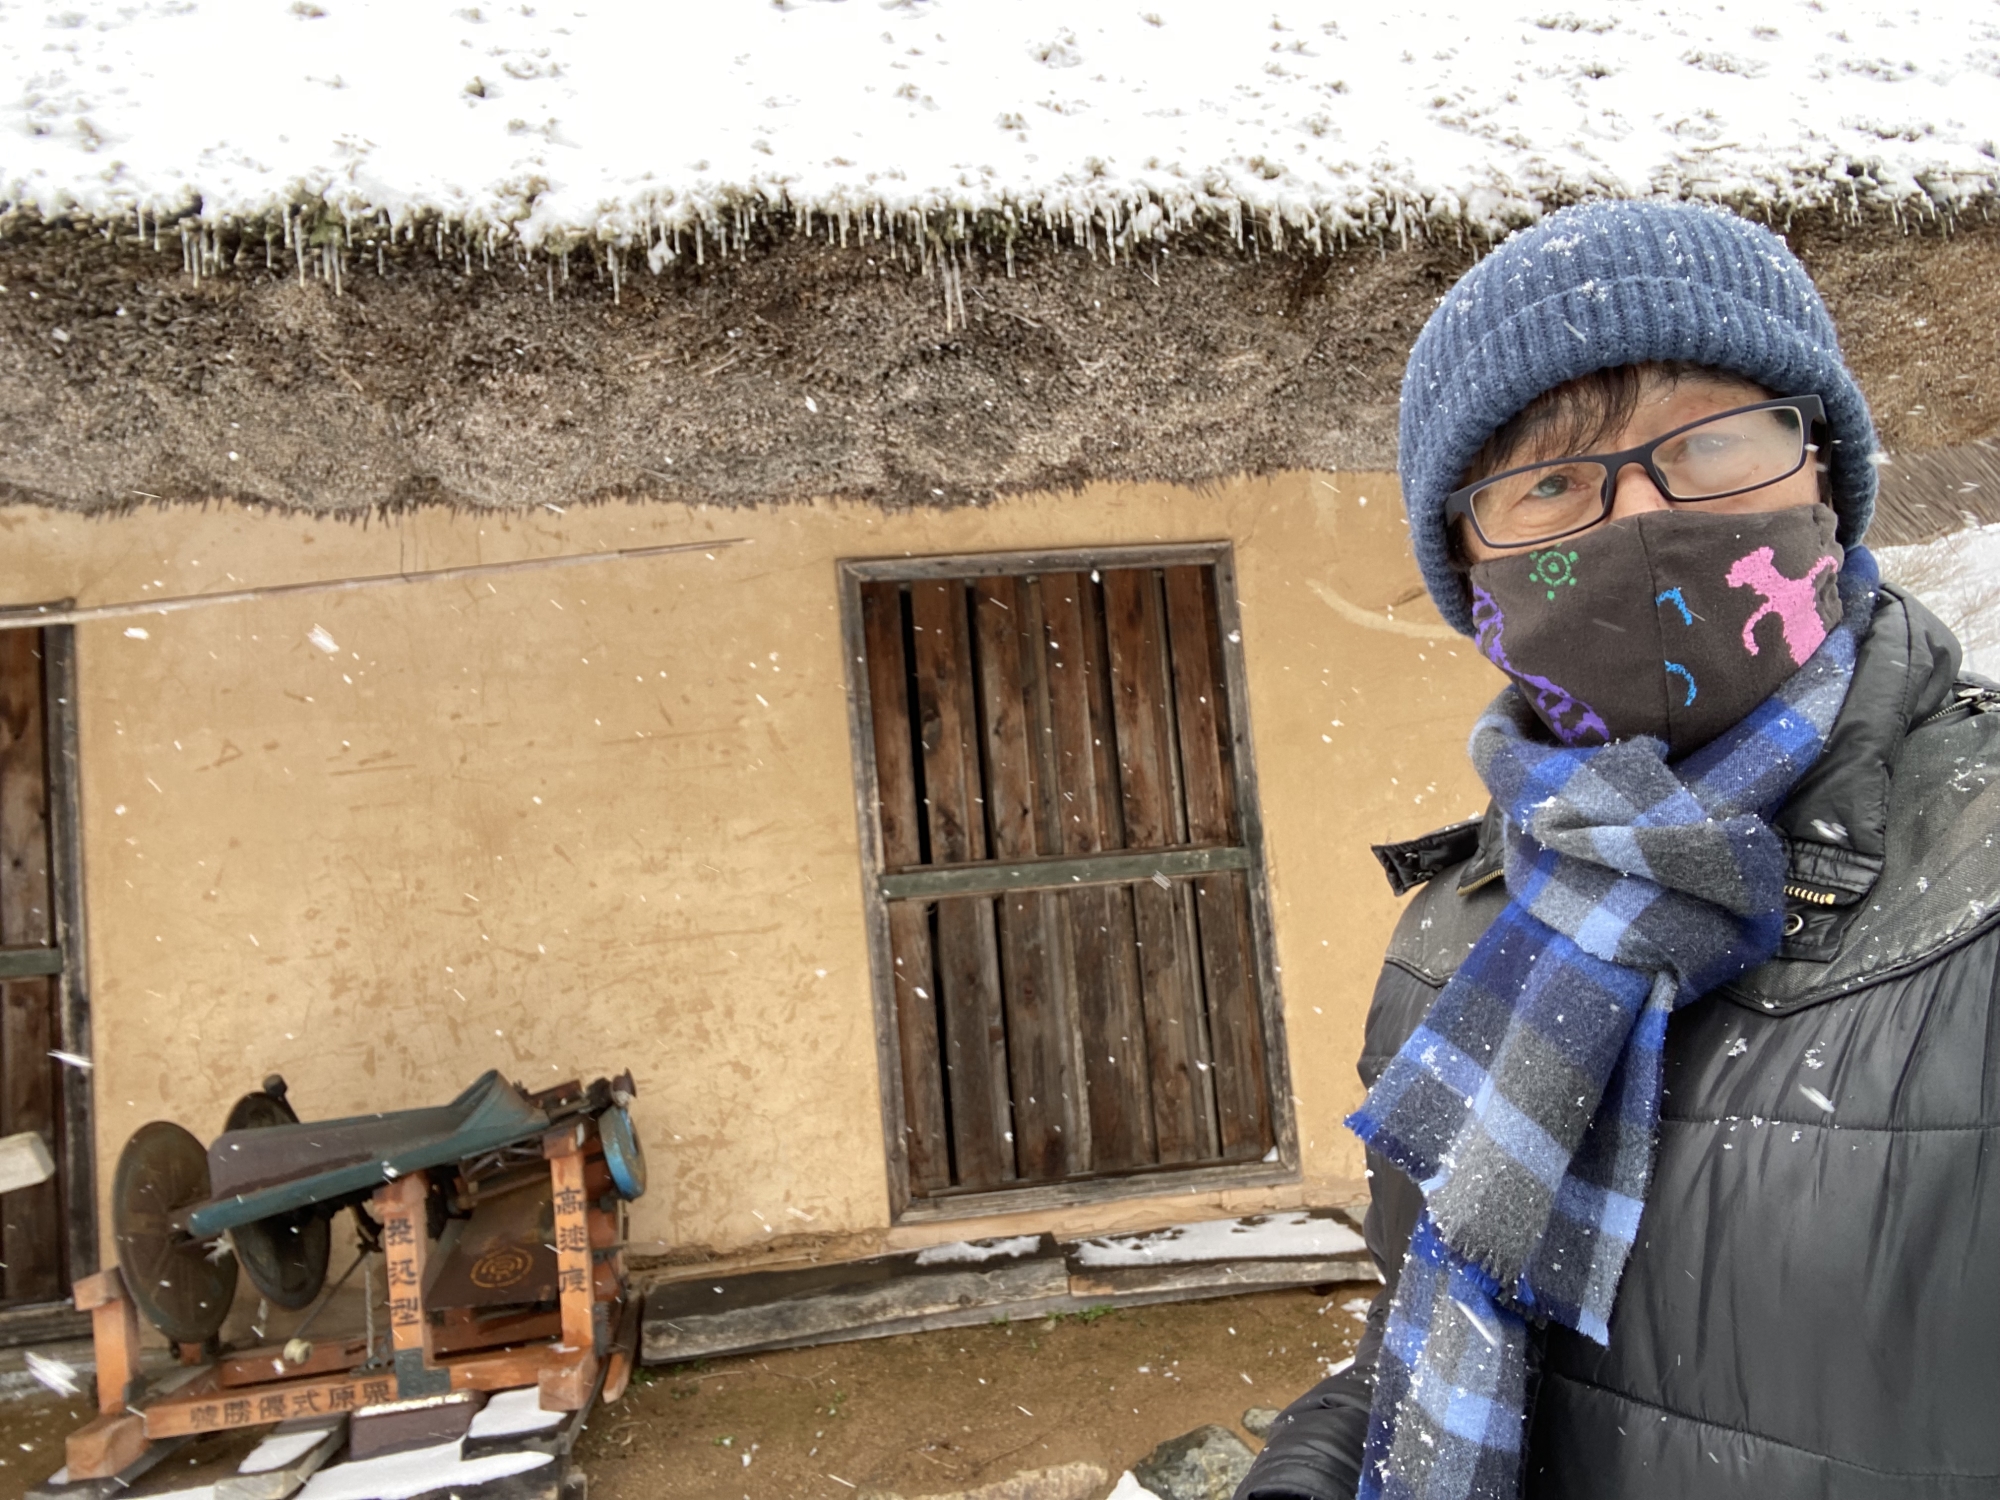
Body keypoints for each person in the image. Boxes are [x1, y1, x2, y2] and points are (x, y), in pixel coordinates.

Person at [1236, 199, 1999, 1500]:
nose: (1640, 516)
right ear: (1469, 571)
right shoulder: (1457, 926)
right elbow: (1433, 1328)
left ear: (1823, 472)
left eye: (1710, 443)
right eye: (1550, 483)